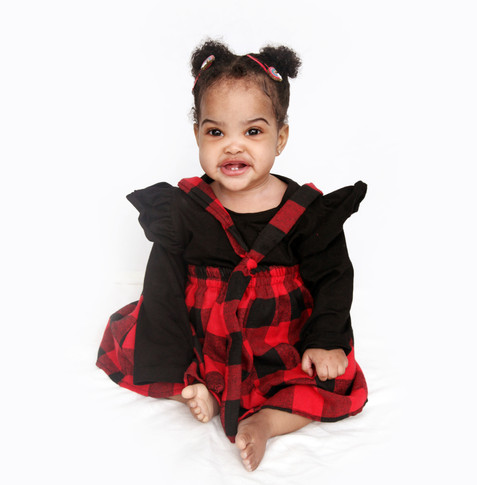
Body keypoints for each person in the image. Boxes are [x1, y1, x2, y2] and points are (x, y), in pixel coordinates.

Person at [96, 39, 368, 472]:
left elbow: (333, 277)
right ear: (197, 135)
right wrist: (173, 363)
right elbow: (163, 285)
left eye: (253, 132)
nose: (233, 146)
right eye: (216, 132)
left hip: (276, 337)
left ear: (280, 138)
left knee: (333, 381)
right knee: (130, 345)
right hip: (207, 335)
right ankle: (192, 389)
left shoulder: (306, 213)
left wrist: (325, 340)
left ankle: (267, 422)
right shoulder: (184, 210)